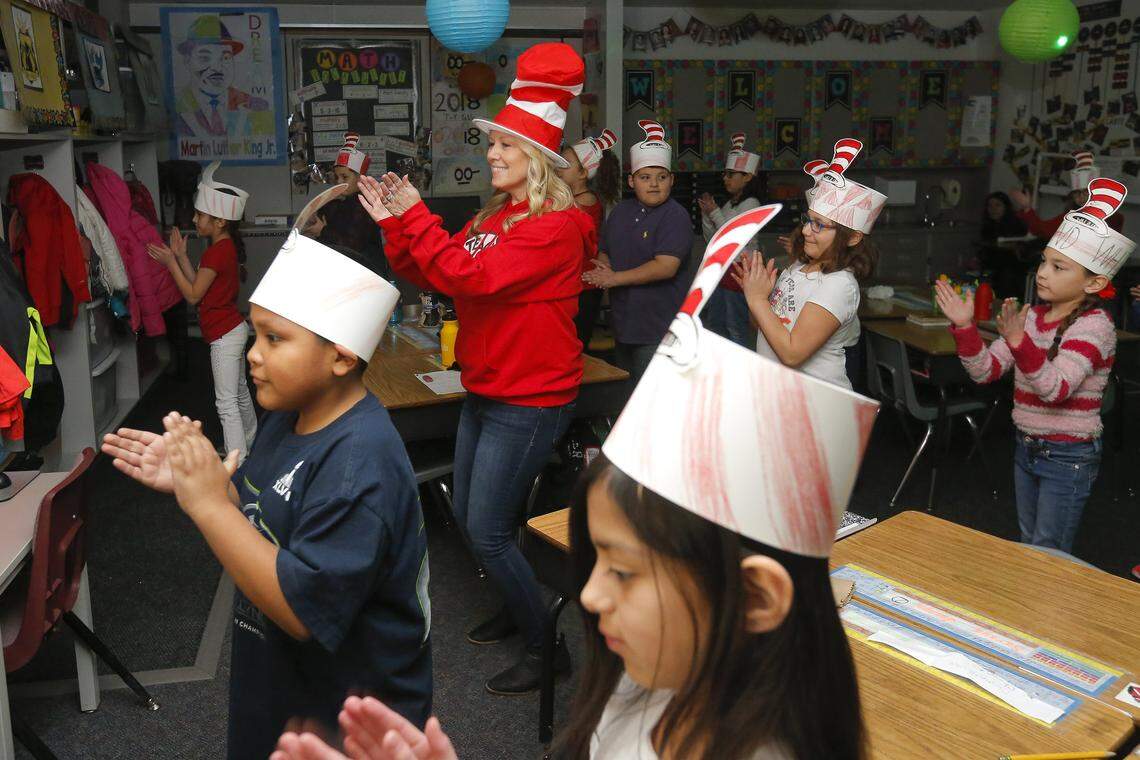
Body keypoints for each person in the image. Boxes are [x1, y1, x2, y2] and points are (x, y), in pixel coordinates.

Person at [271, 206, 874, 760]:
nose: (585, 597)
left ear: (759, 599)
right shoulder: (635, 694)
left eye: (624, 570)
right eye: (600, 563)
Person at [103, 229, 432, 758]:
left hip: (350, 725)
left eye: (274, 339)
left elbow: (302, 610)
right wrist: (200, 481)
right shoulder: (286, 418)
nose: (253, 355)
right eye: (254, 335)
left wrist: (209, 505)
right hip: (284, 691)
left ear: (342, 358)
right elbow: (261, 519)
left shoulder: (358, 467)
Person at [356, 42, 594, 696]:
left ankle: (552, 648)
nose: (491, 154)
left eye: (506, 148)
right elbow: (438, 276)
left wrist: (418, 215)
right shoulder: (497, 216)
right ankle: (521, 605)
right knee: (476, 518)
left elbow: (470, 277)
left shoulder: (557, 227)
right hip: (488, 387)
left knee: (485, 531)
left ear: (537, 160)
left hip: (532, 398)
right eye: (493, 144)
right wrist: (395, 228)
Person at [937, 177, 1130, 552]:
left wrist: (1017, 341)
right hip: (1027, 447)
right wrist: (965, 328)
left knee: (1047, 553)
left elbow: (1055, 388)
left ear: (1095, 283)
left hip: (1068, 455)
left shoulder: (1095, 327)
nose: (1042, 272)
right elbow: (984, 371)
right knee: (1029, 546)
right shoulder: (1032, 317)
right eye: (1044, 262)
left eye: (1059, 268)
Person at [734, 138, 883, 390]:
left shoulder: (839, 285)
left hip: (815, 405)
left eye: (819, 225)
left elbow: (792, 354)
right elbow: (761, 326)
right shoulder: (798, 269)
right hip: (779, 393)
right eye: (807, 220)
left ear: (854, 237)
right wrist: (756, 295)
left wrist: (758, 300)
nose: (805, 231)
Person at [147, 162, 257, 461]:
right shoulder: (224, 248)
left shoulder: (216, 252)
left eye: (199, 215)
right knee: (239, 393)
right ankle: (248, 442)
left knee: (226, 402)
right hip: (231, 329)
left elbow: (193, 296)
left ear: (220, 221)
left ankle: (238, 459)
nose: (194, 219)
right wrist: (181, 257)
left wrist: (171, 263)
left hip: (224, 334)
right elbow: (200, 285)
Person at [583, 120, 693, 385]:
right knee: (628, 397)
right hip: (624, 326)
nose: (654, 184)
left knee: (652, 405)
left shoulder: (675, 216)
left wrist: (613, 279)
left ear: (672, 180)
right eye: (645, 177)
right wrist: (603, 268)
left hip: (660, 330)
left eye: (661, 177)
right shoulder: (620, 212)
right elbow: (605, 250)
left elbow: (666, 266)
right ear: (632, 181)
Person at [698, 131, 763, 347]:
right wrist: (707, 215)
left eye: (731, 174)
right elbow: (713, 239)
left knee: (736, 326)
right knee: (717, 324)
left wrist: (715, 212)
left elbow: (732, 233)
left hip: (739, 272)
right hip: (723, 271)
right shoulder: (729, 205)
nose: (725, 179)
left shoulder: (751, 204)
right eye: (725, 174)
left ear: (747, 177)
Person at [560, 128, 621, 348]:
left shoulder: (583, 201)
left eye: (565, 163)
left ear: (583, 173)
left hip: (583, 287)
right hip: (576, 284)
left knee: (574, 345)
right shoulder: (573, 198)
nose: (558, 167)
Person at [174, 15, 272, 138]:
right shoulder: (176, 107)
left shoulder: (256, 107)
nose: (217, 68)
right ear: (187, 61)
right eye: (205, 57)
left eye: (225, 57)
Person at [305, 132, 388, 276]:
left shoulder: (366, 204)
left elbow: (352, 245)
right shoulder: (339, 203)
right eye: (337, 177)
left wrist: (322, 231)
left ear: (360, 178)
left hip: (368, 274)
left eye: (345, 177)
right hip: (348, 272)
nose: (339, 182)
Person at [1009, 152, 1125, 240]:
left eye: (1086, 193)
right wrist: (1027, 208)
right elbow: (1041, 229)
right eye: (1077, 194)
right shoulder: (1068, 218)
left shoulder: (1114, 218)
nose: (1081, 198)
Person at [977, 191, 1031, 299]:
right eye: (990, 206)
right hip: (992, 270)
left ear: (1005, 207)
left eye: (997, 205)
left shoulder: (1015, 225)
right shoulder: (988, 226)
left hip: (1011, 272)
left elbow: (1023, 249)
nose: (993, 209)